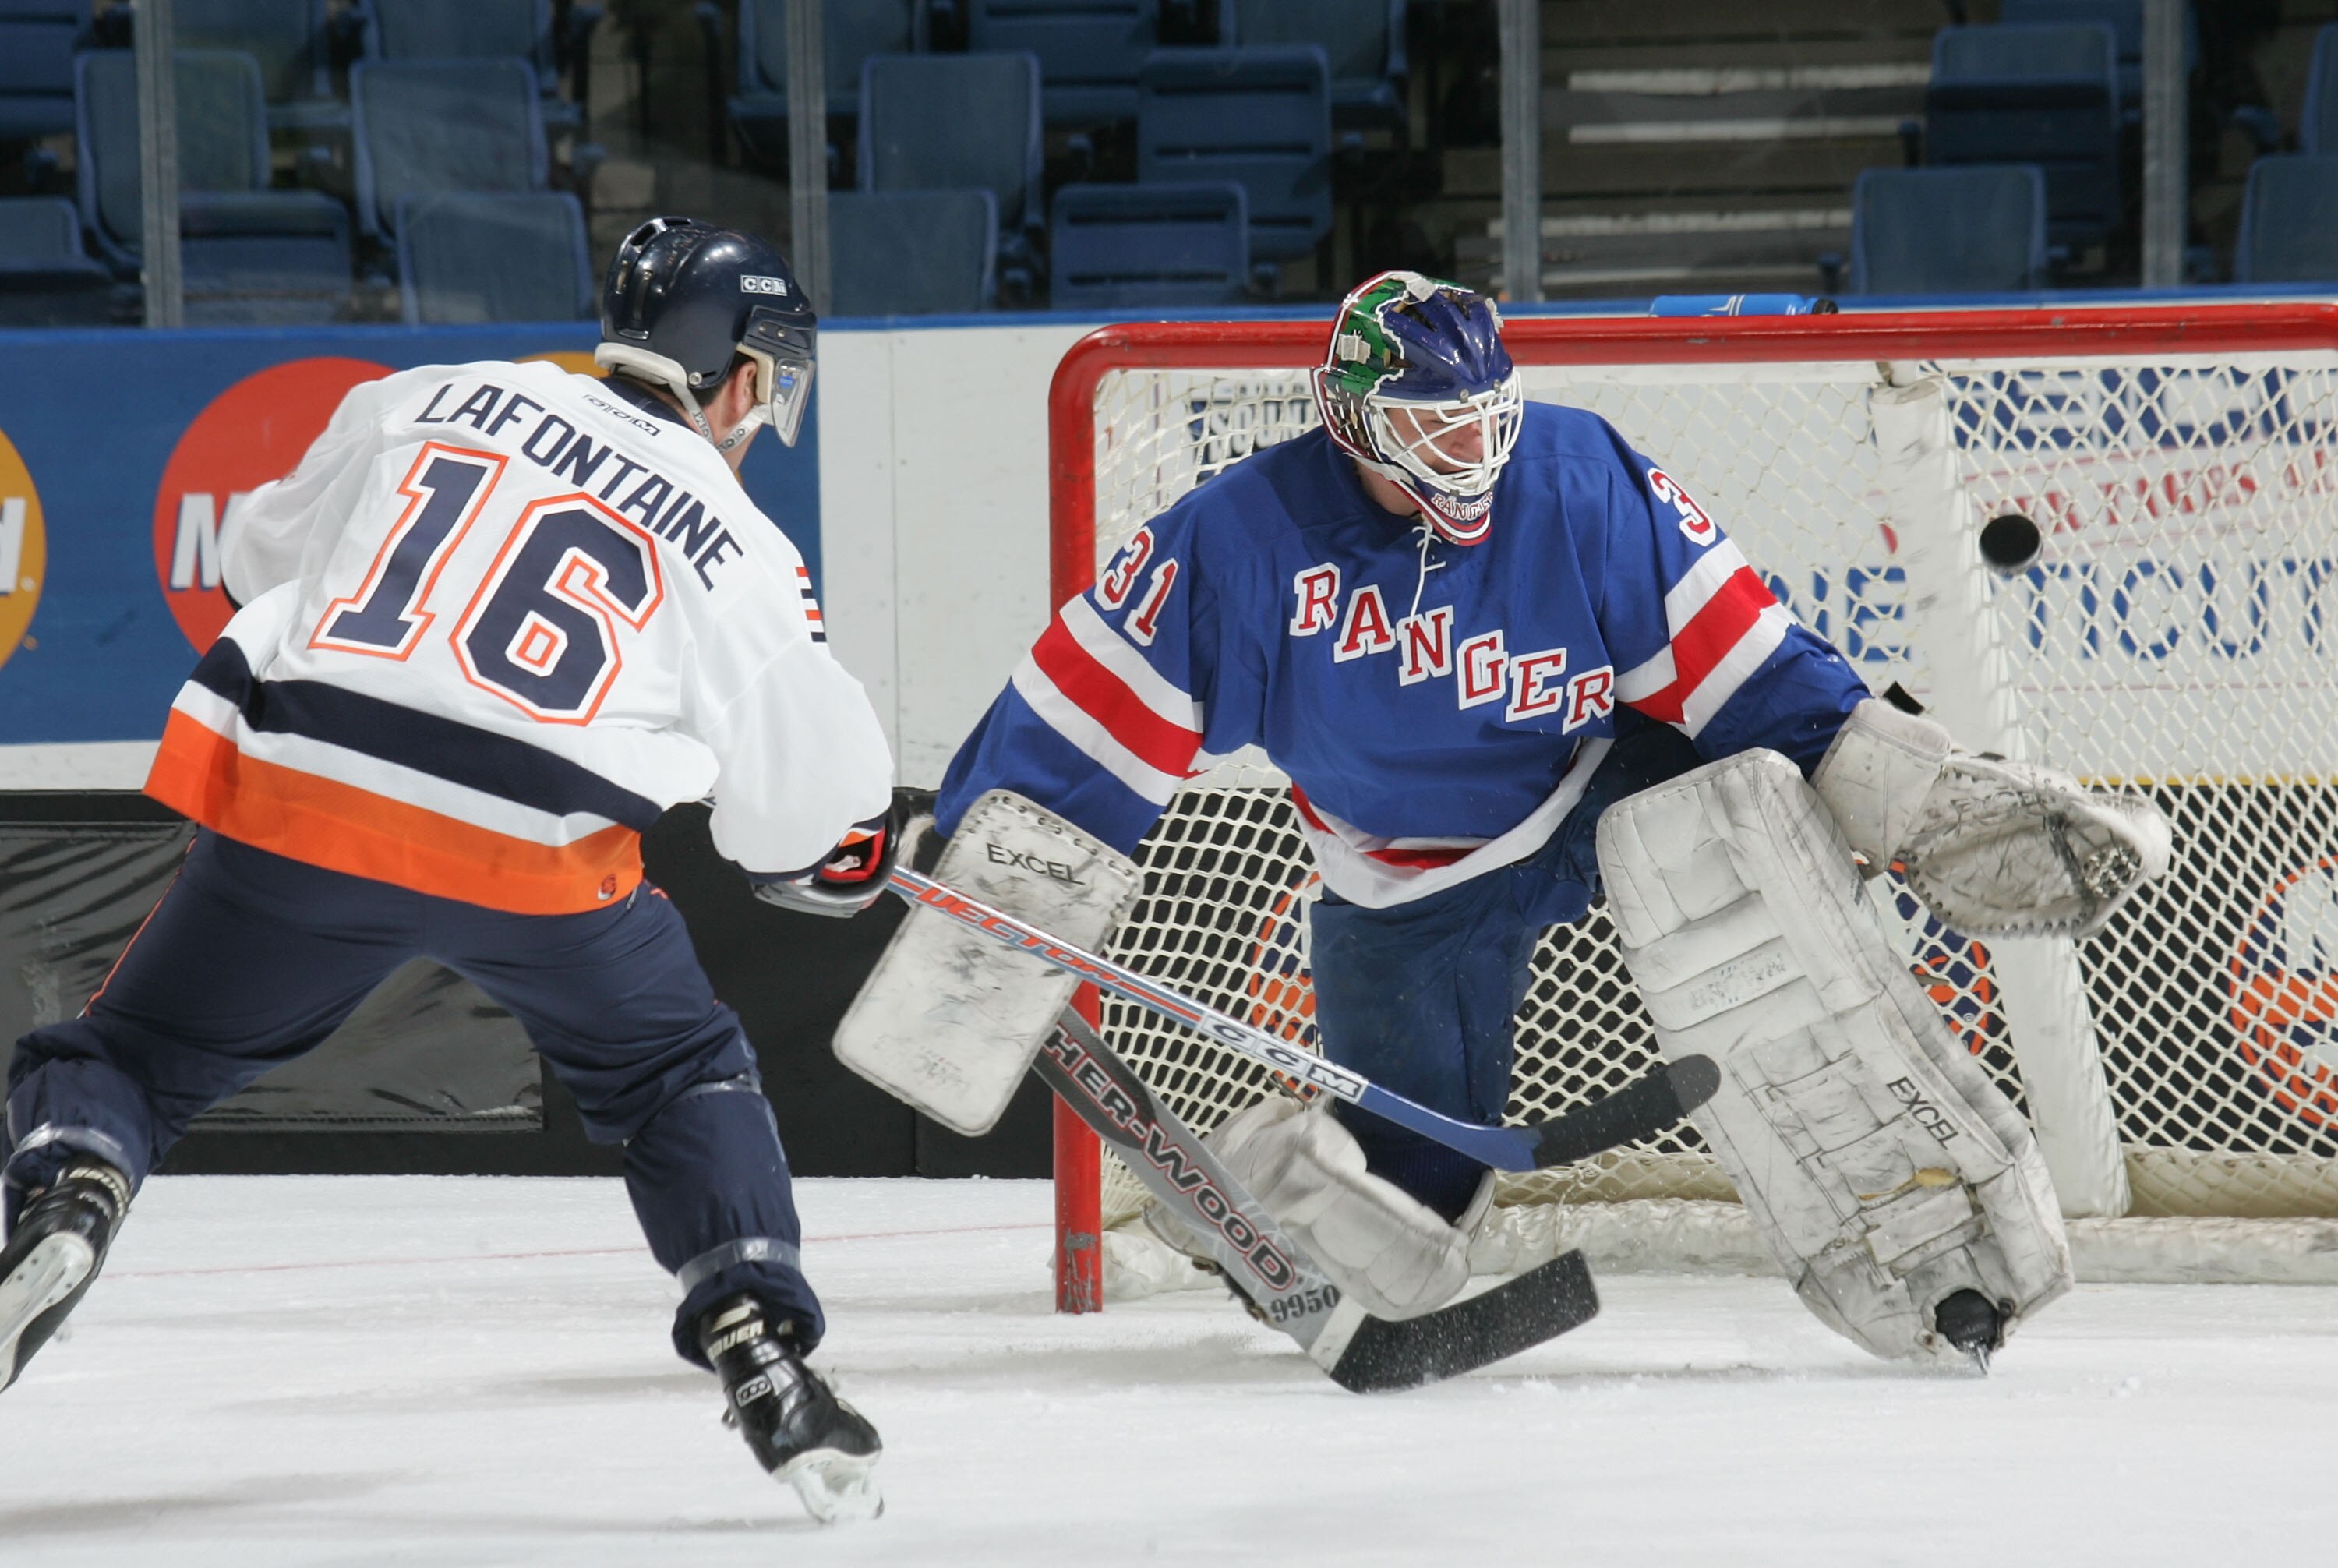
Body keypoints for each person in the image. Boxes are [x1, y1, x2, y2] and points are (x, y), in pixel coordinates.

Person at [0, 218, 897, 1521]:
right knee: (672, 1069)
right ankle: (761, 1348)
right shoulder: (739, 539)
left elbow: (263, 557)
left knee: (127, 1056)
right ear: (740, 376)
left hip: (305, 788)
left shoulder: (432, 397)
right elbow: (800, 816)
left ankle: (72, 1189)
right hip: (528, 845)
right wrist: (832, 844)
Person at [931, 270, 2014, 1347]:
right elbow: (1081, 726)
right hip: (1408, 878)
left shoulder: (1578, 478)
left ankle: (1909, 1212)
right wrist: (982, 891)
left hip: (1605, 793)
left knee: (1739, 830)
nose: (1471, 459)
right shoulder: (1238, 546)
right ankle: (1284, 1197)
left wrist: (1901, 789)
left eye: (1484, 424)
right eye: (1432, 431)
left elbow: (1745, 673)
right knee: (1407, 1218)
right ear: (1351, 422)